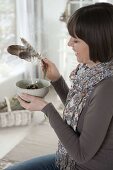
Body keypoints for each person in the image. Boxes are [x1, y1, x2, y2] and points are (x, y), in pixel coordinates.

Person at [6, 2, 113, 170]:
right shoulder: (89, 69)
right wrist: (56, 80)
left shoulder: (108, 87)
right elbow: (78, 112)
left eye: (76, 40)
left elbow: (81, 154)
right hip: (67, 160)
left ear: (96, 42)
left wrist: (47, 108)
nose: (69, 44)